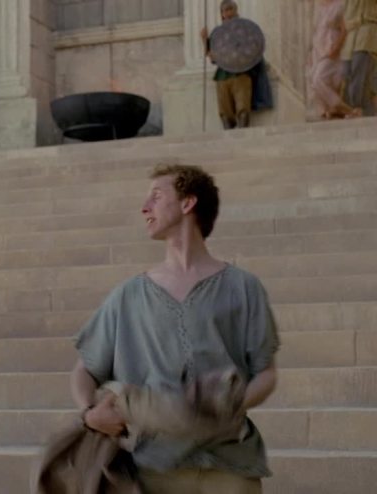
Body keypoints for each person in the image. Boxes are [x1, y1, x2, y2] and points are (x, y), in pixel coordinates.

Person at [70, 164, 279, 493]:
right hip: (150, 466)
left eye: (156, 196)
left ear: (187, 203)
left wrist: (227, 408)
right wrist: (89, 414)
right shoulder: (128, 295)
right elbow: (85, 369)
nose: (145, 208)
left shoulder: (243, 286)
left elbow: (266, 373)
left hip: (229, 463)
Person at [201, 1, 272, 129]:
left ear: (235, 10)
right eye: (225, 10)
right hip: (222, 75)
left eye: (230, 9)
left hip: (242, 73)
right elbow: (212, 56)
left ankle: (243, 133)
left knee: (243, 108)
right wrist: (204, 39)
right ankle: (228, 135)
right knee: (225, 111)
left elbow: (254, 47)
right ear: (222, 14)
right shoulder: (218, 33)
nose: (228, 12)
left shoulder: (246, 28)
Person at [309, 0, 359, 119]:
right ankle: (329, 110)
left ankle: (345, 108)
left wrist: (336, 47)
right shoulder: (317, 7)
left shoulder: (340, 5)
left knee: (318, 79)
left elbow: (344, 30)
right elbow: (316, 31)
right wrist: (311, 53)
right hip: (318, 49)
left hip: (331, 47)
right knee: (315, 80)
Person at [341, 0, 377, 116]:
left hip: (367, 32)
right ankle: (356, 109)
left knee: (360, 70)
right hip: (351, 36)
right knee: (347, 74)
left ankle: (359, 108)